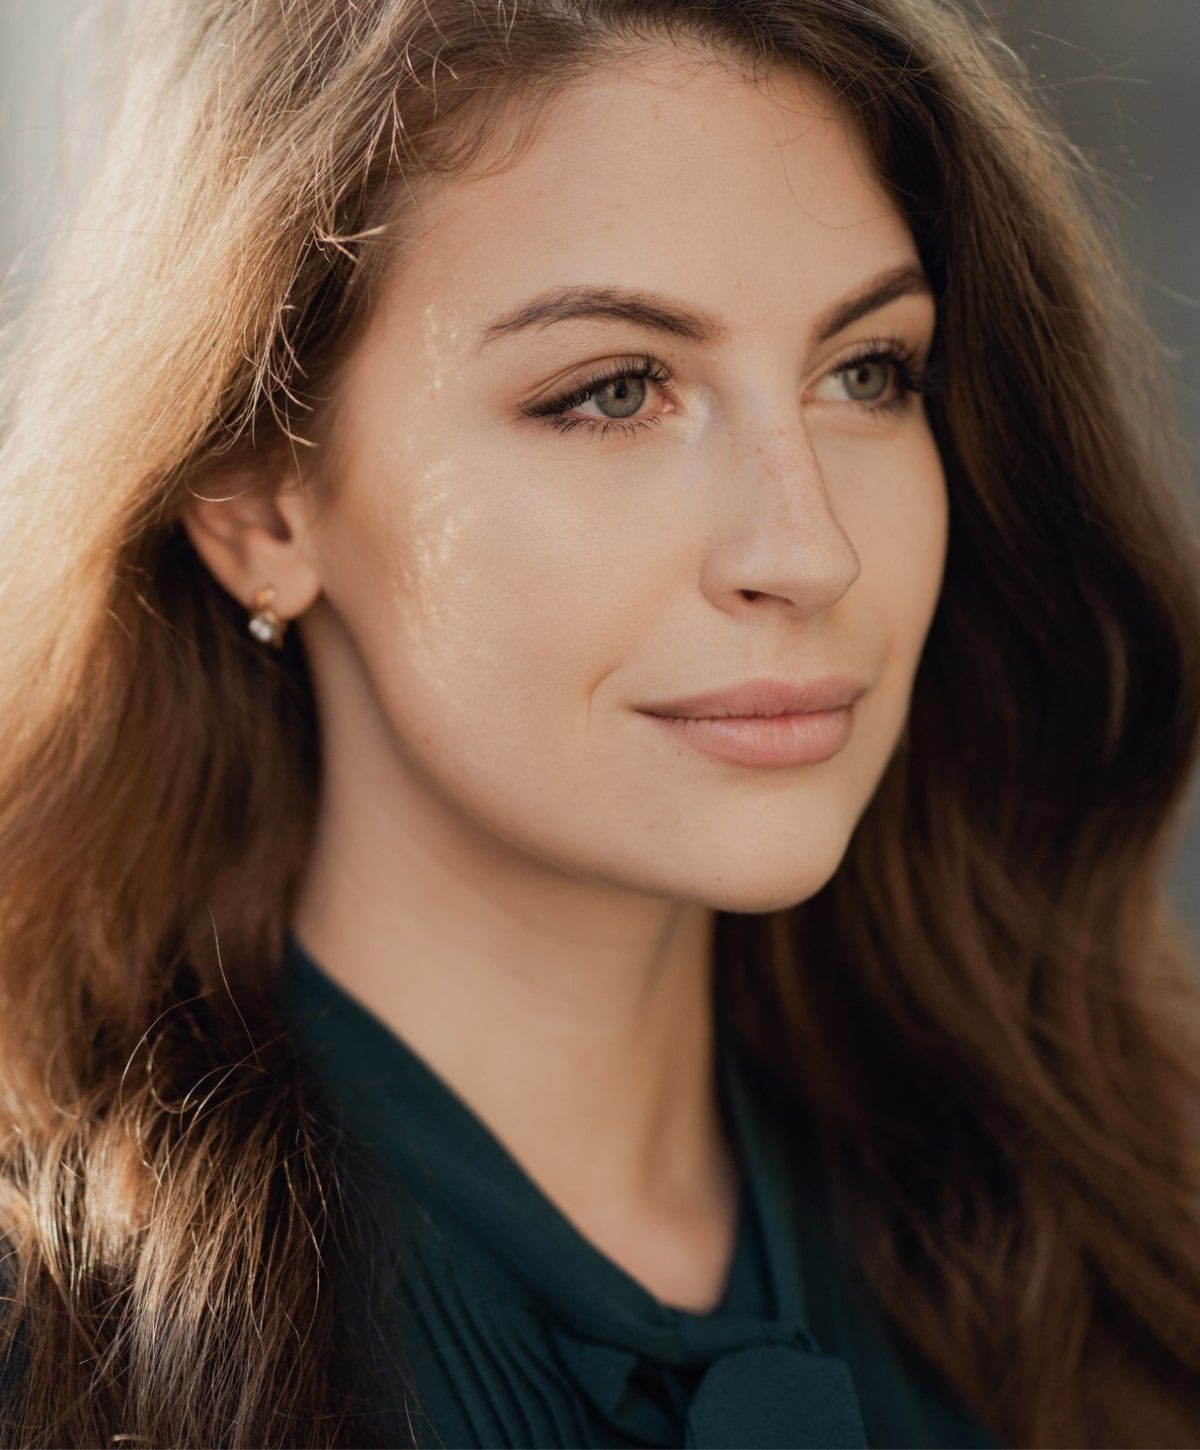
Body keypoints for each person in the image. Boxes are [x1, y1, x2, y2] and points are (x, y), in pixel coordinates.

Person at [0, 0, 1198, 1445]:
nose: (808, 549)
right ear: (259, 504)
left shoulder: (1107, 1228)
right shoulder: (55, 1349)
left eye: (867, 371)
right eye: (614, 391)